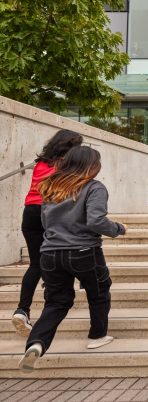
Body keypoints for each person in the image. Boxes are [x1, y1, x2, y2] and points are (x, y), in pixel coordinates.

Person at [19, 146, 127, 373]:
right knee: (99, 291)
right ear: (89, 166)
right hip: (84, 252)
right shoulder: (94, 187)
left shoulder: (48, 186)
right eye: (97, 163)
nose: (99, 167)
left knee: (57, 301)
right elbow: (96, 221)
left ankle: (36, 343)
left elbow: (45, 221)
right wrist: (118, 229)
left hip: (49, 253)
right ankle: (98, 335)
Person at [12, 130, 83, 336]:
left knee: (37, 264)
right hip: (50, 213)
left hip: (30, 213)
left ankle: (22, 309)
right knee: (56, 260)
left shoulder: (41, 163)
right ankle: (48, 315)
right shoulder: (67, 167)